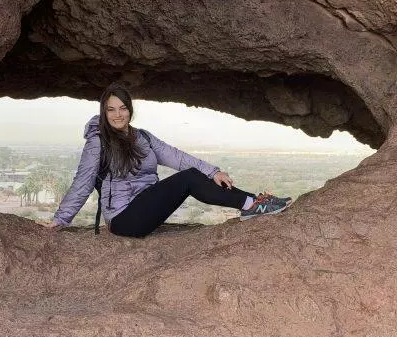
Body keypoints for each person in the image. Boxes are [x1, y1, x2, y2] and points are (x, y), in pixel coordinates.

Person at [44, 85, 293, 238]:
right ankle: (252, 204)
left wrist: (213, 171)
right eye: (111, 109)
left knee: (192, 173)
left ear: (130, 110)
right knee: (188, 178)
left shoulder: (143, 137)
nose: (118, 114)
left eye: (123, 108)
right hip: (124, 218)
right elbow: (83, 182)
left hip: (145, 206)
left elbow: (177, 157)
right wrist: (62, 219)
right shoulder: (98, 142)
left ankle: (255, 203)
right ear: (104, 112)